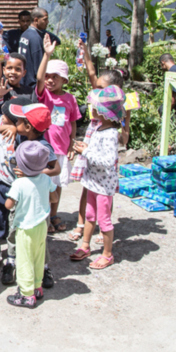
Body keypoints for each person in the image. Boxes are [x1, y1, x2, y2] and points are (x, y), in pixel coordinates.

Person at [0, 99, 59, 288]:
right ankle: (11, 263)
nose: (14, 124)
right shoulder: (22, 135)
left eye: (17, 122)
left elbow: (56, 168)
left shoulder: (42, 146)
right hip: (17, 191)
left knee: (38, 237)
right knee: (14, 230)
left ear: (27, 126)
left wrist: (34, 172)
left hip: (34, 197)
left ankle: (43, 268)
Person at [69, 42, 132, 242]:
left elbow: (125, 130)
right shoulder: (97, 96)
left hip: (106, 148)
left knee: (105, 190)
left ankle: (104, 226)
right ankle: (82, 224)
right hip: (91, 141)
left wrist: (123, 138)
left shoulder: (122, 104)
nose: (97, 90)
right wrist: (85, 51)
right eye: (97, 87)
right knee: (86, 187)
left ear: (115, 90)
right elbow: (91, 72)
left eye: (101, 88)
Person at [69, 86, 125, 270]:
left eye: (95, 106)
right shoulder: (99, 128)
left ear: (103, 111)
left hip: (103, 185)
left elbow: (108, 161)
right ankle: (85, 245)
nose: (91, 109)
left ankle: (107, 254)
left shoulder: (110, 134)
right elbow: (96, 152)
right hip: (93, 181)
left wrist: (85, 151)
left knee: (104, 219)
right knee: (90, 215)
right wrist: (86, 147)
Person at [36, 34, 81, 234]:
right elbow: (38, 79)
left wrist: (72, 143)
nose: (50, 80)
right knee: (44, 183)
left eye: (55, 76)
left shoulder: (70, 99)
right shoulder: (43, 95)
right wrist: (46, 56)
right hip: (45, 150)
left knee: (58, 184)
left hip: (61, 150)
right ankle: (44, 215)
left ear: (64, 79)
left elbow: (72, 122)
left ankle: (54, 214)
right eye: (48, 76)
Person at [5, 140, 56, 308]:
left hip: (25, 228)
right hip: (42, 225)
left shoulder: (19, 183)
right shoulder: (45, 179)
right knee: (38, 257)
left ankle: (27, 295)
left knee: (25, 260)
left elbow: (8, 205)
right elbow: (54, 198)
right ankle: (37, 287)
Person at [18, 7, 61, 96]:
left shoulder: (25, 34)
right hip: (32, 85)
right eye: (45, 19)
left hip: (23, 81)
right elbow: (39, 67)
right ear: (36, 20)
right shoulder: (35, 38)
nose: (47, 22)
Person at [0, 53, 30, 123]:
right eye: (9, 68)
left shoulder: (30, 92)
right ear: (3, 70)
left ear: (24, 73)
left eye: (18, 69)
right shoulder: (1, 86)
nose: (13, 72)